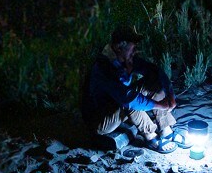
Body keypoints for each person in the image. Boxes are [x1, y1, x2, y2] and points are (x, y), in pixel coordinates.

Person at [80, 25, 188, 153]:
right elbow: (127, 98)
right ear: (119, 47)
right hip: (100, 119)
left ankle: (165, 129)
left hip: (116, 103)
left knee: (153, 81)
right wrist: (159, 105)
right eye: (132, 47)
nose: (135, 50)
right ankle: (150, 136)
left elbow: (155, 71)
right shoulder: (103, 67)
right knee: (131, 102)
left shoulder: (125, 59)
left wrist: (170, 95)